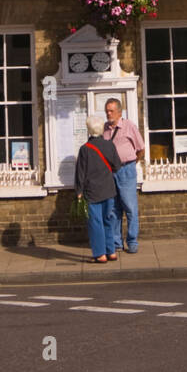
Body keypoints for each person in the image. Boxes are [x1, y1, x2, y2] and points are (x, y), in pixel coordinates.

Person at [74, 115, 123, 262]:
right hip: (109, 190)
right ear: (101, 129)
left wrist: (79, 192)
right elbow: (117, 166)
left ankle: (100, 254)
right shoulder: (110, 145)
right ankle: (111, 251)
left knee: (96, 223)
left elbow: (80, 173)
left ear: (89, 130)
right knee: (108, 220)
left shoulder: (85, 149)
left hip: (92, 192)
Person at [103, 96, 145, 254]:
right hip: (111, 171)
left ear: (119, 112)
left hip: (126, 169)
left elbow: (141, 149)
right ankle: (116, 242)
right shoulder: (105, 129)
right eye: (107, 111)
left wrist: (130, 164)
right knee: (114, 209)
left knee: (130, 207)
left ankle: (132, 241)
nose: (108, 114)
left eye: (111, 111)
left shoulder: (129, 126)